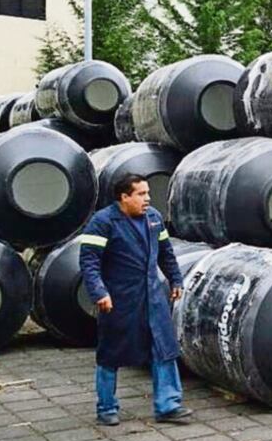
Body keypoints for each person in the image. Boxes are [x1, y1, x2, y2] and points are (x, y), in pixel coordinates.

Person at [79, 174, 192, 426]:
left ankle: (168, 406)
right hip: (120, 300)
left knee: (164, 349)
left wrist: (175, 279)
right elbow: (89, 262)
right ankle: (106, 407)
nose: (148, 199)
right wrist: (99, 292)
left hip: (153, 297)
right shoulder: (103, 222)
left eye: (147, 193)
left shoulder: (153, 218)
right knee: (111, 354)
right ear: (124, 197)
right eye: (141, 194)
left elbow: (166, 253)